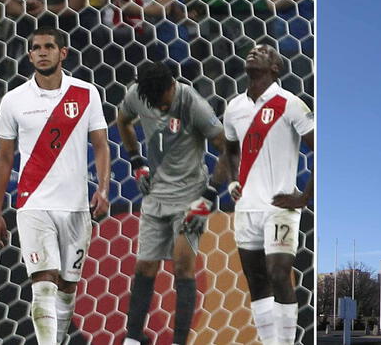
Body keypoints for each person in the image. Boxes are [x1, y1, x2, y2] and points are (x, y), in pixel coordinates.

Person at [0, 26, 110, 344]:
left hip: (75, 206)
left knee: (67, 286)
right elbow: (4, 158)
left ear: (63, 53)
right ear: (29, 54)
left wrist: (103, 188)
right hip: (33, 204)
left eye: (48, 46)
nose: (41, 52)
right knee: (43, 281)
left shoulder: (86, 93)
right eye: (35, 48)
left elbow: (100, 144)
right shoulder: (13, 100)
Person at [116, 62, 232, 345]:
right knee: (145, 267)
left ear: (172, 85)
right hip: (155, 195)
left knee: (182, 265)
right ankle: (133, 338)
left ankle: (180, 342)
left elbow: (226, 147)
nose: (162, 107)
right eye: (155, 103)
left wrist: (209, 195)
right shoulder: (135, 96)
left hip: (190, 197)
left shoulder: (193, 103)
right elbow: (123, 121)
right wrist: (136, 160)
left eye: (165, 100)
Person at [223, 44, 314, 345]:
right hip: (247, 207)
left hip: (280, 207)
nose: (253, 52)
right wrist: (233, 181)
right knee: (256, 280)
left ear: (275, 68)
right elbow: (231, 149)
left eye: (263, 51)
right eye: (251, 50)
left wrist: (303, 198)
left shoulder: (289, 103)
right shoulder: (234, 107)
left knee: (278, 272)